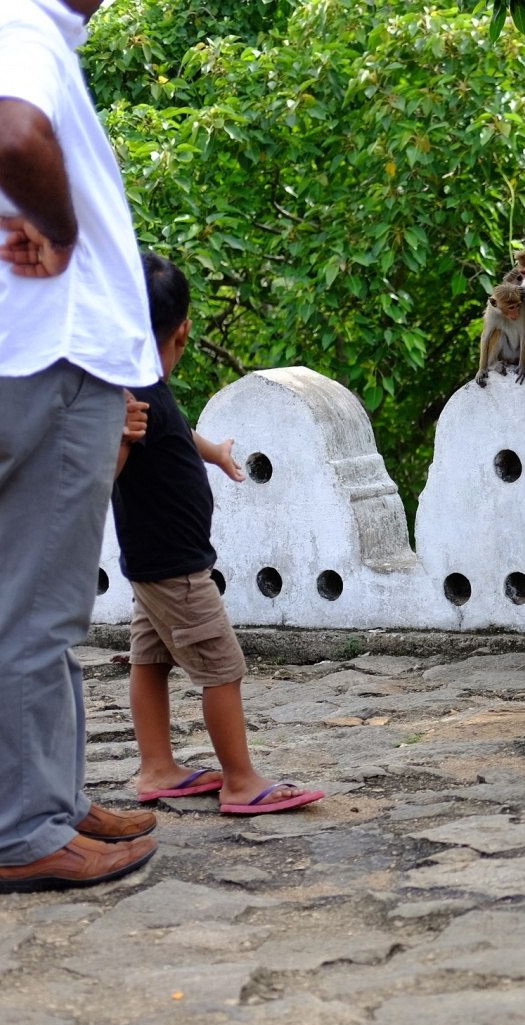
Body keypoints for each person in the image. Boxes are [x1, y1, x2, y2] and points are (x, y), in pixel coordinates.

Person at [0, 0, 161, 892]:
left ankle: (49, 798)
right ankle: (25, 832)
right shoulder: (15, 25)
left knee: (30, 599)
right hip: (44, 356)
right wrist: (58, 227)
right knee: (34, 610)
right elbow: (15, 135)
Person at [115, 253, 326, 817]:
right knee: (222, 667)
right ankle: (240, 779)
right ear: (183, 330)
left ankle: (158, 767)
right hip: (177, 568)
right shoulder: (128, 403)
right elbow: (100, 475)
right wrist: (117, 436)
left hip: (153, 564)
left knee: (150, 659)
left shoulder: (138, 388)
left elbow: (174, 429)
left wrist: (212, 452)